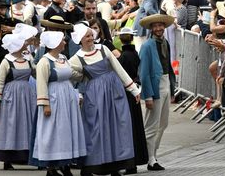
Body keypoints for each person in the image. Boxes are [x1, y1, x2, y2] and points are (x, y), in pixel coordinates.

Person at [69, 24, 141, 176]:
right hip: (95, 96)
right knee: (96, 128)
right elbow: (68, 74)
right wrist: (78, 87)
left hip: (114, 91)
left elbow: (118, 69)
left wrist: (133, 89)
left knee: (117, 126)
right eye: (86, 36)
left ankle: (115, 165)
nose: (90, 38)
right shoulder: (76, 58)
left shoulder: (103, 49)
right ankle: (91, 166)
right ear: (80, 40)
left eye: (91, 35)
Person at [30, 31, 87, 176]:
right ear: (55, 43)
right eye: (62, 40)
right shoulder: (44, 61)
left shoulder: (63, 58)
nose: (65, 43)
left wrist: (88, 74)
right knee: (53, 132)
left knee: (66, 131)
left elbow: (72, 74)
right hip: (54, 99)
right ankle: (51, 167)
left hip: (67, 98)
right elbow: (41, 83)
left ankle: (65, 164)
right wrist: (45, 104)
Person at [0, 25, 37, 170]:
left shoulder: (28, 59)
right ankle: (7, 158)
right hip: (11, 98)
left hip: (27, 97)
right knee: (11, 126)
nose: (25, 44)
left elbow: (37, 73)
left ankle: (30, 156)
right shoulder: (6, 61)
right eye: (22, 43)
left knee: (27, 124)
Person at [139, 14, 176, 171]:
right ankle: (150, 158)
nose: (159, 28)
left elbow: (168, 67)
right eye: (155, 26)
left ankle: (153, 155)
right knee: (151, 125)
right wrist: (147, 95)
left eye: (161, 25)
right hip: (155, 85)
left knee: (163, 123)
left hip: (165, 82)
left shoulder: (164, 42)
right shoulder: (147, 46)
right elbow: (143, 72)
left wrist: (172, 89)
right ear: (151, 29)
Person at [117, 27, 148, 174]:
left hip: (127, 93)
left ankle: (131, 163)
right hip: (134, 91)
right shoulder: (134, 54)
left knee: (128, 127)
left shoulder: (123, 57)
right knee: (135, 125)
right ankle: (134, 161)